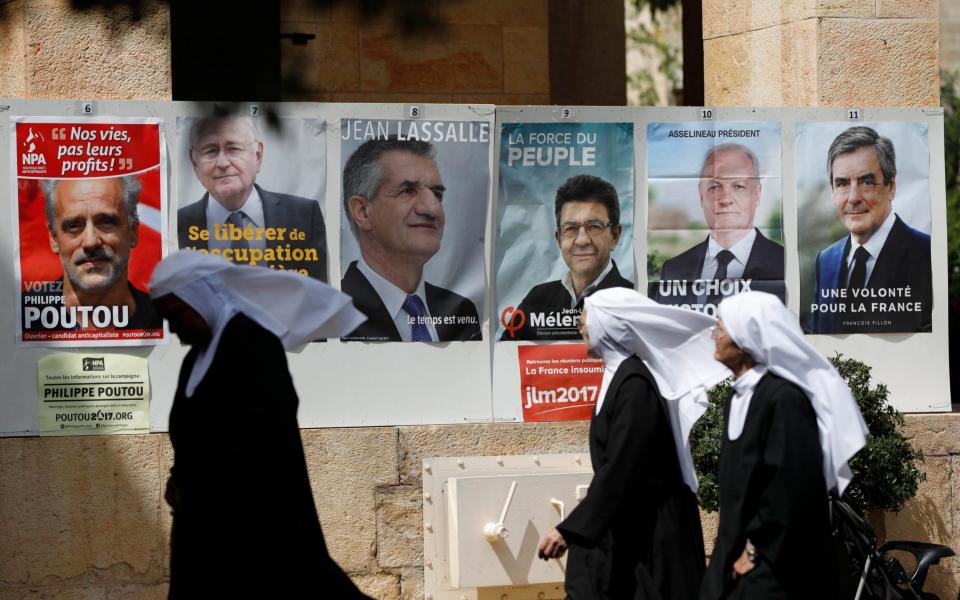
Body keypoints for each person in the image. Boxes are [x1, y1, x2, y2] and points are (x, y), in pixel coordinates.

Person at [149, 250, 369, 598]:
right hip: (204, 530)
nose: (172, 327)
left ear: (200, 297)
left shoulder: (253, 344)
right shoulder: (196, 356)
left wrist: (201, 477)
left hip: (254, 529)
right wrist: (180, 477)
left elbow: (265, 434)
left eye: (175, 314)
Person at [537, 287, 729, 600]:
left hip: (650, 536)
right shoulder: (619, 378)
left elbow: (623, 467)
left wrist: (568, 530)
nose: (580, 324)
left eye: (587, 316)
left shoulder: (634, 385)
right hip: (628, 524)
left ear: (608, 325)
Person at [701, 292, 868, 600]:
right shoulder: (738, 396)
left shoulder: (784, 400)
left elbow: (791, 492)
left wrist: (751, 554)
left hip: (777, 569)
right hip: (738, 562)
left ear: (744, 339)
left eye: (721, 329)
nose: (714, 336)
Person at [341, 136, 480, 342]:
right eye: (408, 191)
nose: (432, 209)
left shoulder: (462, 311)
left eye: (437, 194)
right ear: (363, 212)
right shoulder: (333, 313)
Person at [809, 126, 932, 333]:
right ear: (832, 192)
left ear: (891, 187)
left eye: (866, 181)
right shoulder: (826, 260)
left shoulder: (926, 253)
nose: (853, 197)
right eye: (842, 184)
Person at [177, 115, 328, 281]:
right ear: (194, 162)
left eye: (233, 148)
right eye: (210, 151)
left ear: (258, 155)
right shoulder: (178, 224)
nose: (222, 163)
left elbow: (317, 300)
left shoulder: (305, 217)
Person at [501, 174, 633, 341]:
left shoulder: (634, 302)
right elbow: (504, 360)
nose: (582, 240)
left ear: (614, 236)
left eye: (594, 226)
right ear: (559, 238)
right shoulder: (537, 299)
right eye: (571, 228)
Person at [655, 143, 784, 313]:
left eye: (738, 186)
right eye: (715, 187)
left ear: (757, 195)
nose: (725, 199)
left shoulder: (784, 263)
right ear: (701, 195)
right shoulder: (673, 269)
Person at [22, 176, 161, 332]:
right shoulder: (16, 319)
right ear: (54, 239)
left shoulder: (166, 320)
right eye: (74, 226)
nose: (90, 242)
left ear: (133, 232)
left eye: (106, 222)